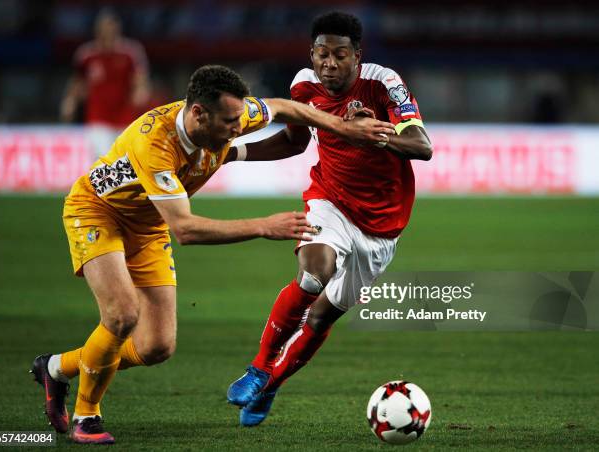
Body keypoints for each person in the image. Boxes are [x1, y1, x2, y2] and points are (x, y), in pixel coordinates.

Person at [31, 64, 395, 444]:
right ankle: (86, 417)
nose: (238, 127)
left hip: (149, 222)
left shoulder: (227, 118)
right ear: (198, 113)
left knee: (156, 346)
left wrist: (345, 128)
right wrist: (262, 226)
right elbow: (185, 230)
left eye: (240, 118)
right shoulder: (154, 144)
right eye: (229, 121)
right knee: (122, 314)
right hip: (99, 212)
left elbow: (287, 109)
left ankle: (55, 368)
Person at [226, 12, 433, 427]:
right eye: (323, 54)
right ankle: (260, 367)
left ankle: (272, 385)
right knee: (312, 275)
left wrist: (376, 133)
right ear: (312, 54)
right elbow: (292, 141)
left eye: (340, 55)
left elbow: (422, 145)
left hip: (382, 226)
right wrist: (235, 152)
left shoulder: (383, 82)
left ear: (357, 56)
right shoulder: (302, 85)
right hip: (330, 201)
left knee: (322, 317)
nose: (330, 64)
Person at [60, 9, 150, 158]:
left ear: (117, 29)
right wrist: (70, 101)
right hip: (98, 117)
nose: (108, 32)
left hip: (124, 116)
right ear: (98, 30)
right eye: (104, 29)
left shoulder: (130, 52)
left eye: (111, 28)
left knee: (124, 161)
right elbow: (77, 82)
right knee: (102, 159)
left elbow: (140, 78)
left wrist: (141, 91)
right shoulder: (86, 54)